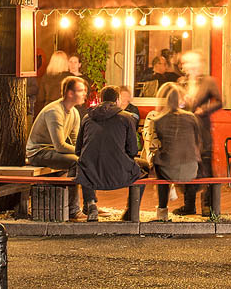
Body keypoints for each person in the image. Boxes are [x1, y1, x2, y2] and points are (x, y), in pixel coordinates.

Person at [75, 85, 142, 221]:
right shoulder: (127, 118)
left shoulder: (87, 118)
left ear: (100, 99)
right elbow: (133, 151)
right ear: (117, 100)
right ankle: (131, 211)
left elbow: (78, 149)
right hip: (119, 172)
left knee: (84, 163)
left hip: (91, 174)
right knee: (144, 168)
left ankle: (91, 204)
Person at [27, 75, 89, 220]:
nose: (84, 94)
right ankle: (73, 209)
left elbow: (74, 142)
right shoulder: (54, 111)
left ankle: (89, 205)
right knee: (77, 161)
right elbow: (60, 145)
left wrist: (85, 152)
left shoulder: (74, 112)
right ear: (70, 93)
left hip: (52, 151)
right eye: (81, 90)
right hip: (38, 152)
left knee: (85, 160)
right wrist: (83, 153)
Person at [149, 82, 202, 221]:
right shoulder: (191, 117)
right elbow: (197, 142)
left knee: (158, 162)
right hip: (191, 170)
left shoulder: (158, 120)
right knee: (191, 157)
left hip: (168, 170)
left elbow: (155, 145)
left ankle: (162, 209)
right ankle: (189, 204)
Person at [179, 51, 223, 216]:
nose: (188, 67)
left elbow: (220, 101)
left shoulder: (208, 81)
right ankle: (188, 205)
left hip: (202, 128)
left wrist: (204, 110)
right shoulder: (181, 83)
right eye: (186, 63)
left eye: (191, 63)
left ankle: (208, 206)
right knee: (187, 164)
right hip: (185, 130)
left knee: (205, 166)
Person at [34, 50, 73, 115]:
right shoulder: (69, 77)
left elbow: (40, 98)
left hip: (48, 108)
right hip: (64, 109)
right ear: (65, 62)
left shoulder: (46, 76)